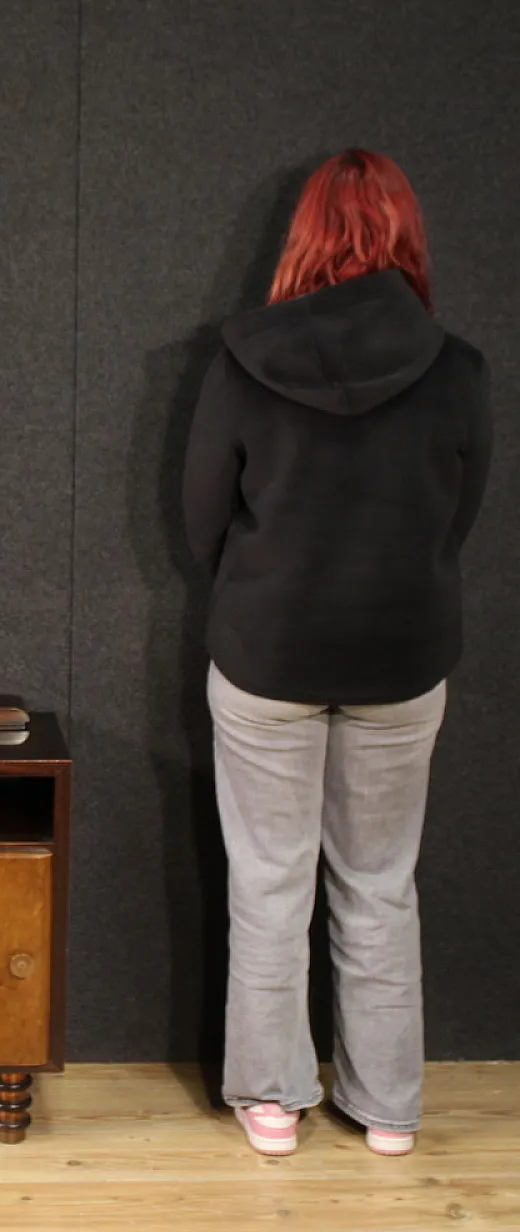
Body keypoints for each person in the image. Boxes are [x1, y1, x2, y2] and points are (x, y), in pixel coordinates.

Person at [183, 149, 492, 1158]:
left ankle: (272, 1101)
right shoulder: (455, 368)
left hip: (266, 650)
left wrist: (260, 587)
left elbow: (201, 516)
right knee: (379, 881)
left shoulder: (241, 360)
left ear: (304, 234)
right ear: (406, 233)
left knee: (269, 882)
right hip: (401, 658)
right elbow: (457, 518)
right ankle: (388, 1107)